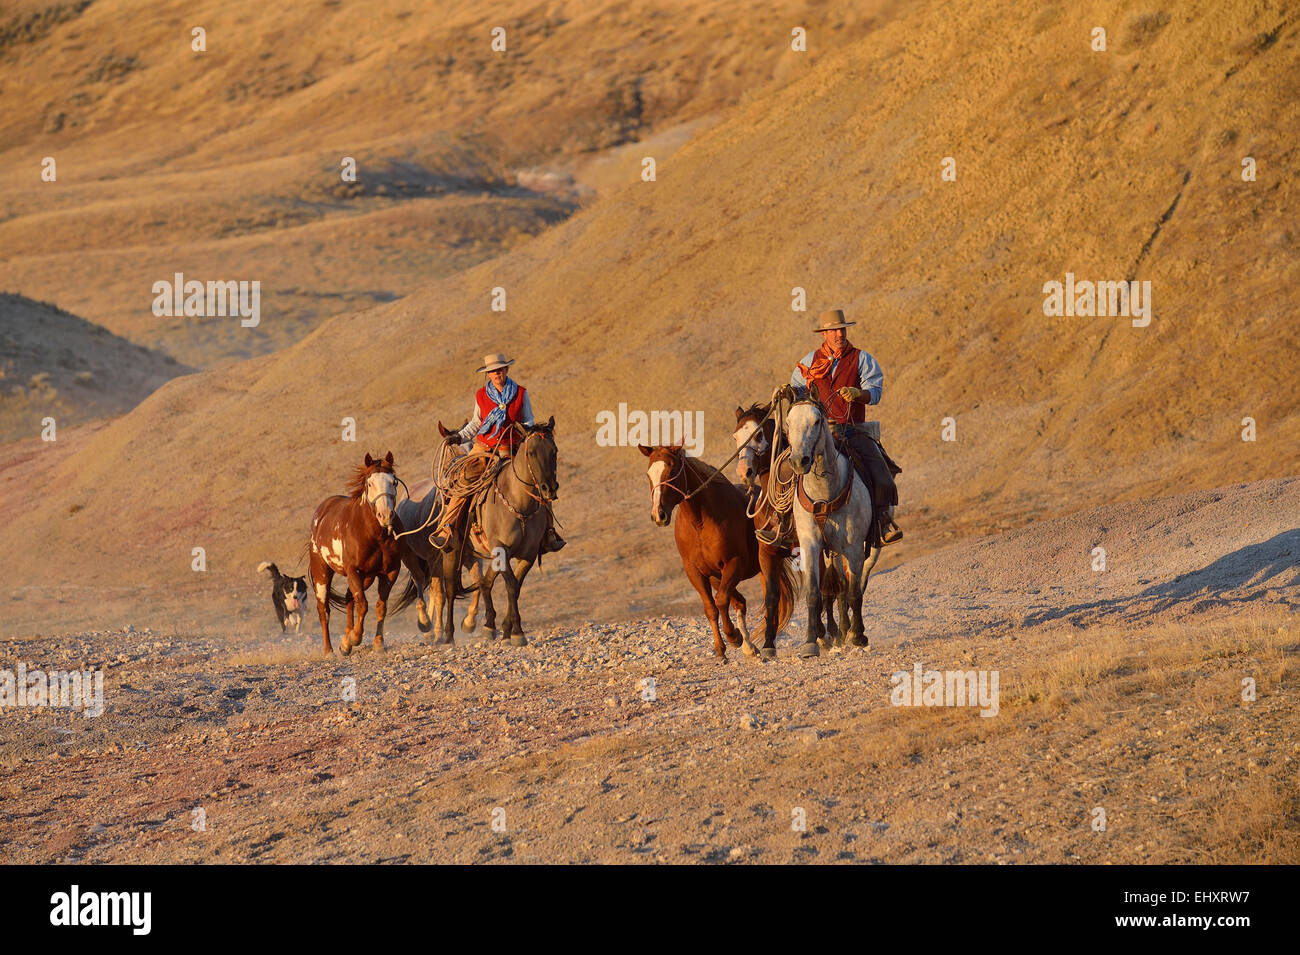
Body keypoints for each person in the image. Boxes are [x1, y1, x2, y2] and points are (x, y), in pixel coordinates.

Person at [773, 308, 902, 546]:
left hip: (850, 430)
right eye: (833, 330)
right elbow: (798, 394)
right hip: (814, 433)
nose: (839, 334)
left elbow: (875, 392)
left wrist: (858, 394)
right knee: (783, 471)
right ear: (824, 334)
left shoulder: (862, 359)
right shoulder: (807, 362)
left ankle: (883, 522)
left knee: (881, 473)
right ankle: (781, 523)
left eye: (842, 329)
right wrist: (788, 392)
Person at [430, 352, 565, 553]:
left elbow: (528, 420)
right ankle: (447, 529)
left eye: (499, 370)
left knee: (540, 480)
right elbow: (477, 423)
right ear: (488, 374)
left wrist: (522, 431)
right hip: (483, 449)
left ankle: (549, 533)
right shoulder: (481, 395)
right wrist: (459, 437)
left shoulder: (521, 393)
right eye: (492, 371)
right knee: (464, 481)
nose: (497, 374)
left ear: (506, 370)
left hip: (513, 449)